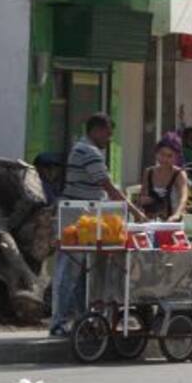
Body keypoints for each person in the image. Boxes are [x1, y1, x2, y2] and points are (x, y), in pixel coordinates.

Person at [51, 113, 145, 337]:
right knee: (70, 272)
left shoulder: (84, 149)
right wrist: (136, 213)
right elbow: (109, 188)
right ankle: (59, 322)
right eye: (107, 134)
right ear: (96, 130)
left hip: (85, 220)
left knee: (82, 274)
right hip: (76, 220)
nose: (109, 139)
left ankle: (79, 320)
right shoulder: (88, 152)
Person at [138, 139, 189, 222]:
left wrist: (177, 214)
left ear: (176, 157)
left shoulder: (179, 174)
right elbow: (143, 196)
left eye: (169, 156)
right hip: (150, 220)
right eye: (162, 154)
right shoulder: (148, 172)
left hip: (172, 221)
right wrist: (144, 200)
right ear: (156, 154)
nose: (164, 159)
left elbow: (184, 197)